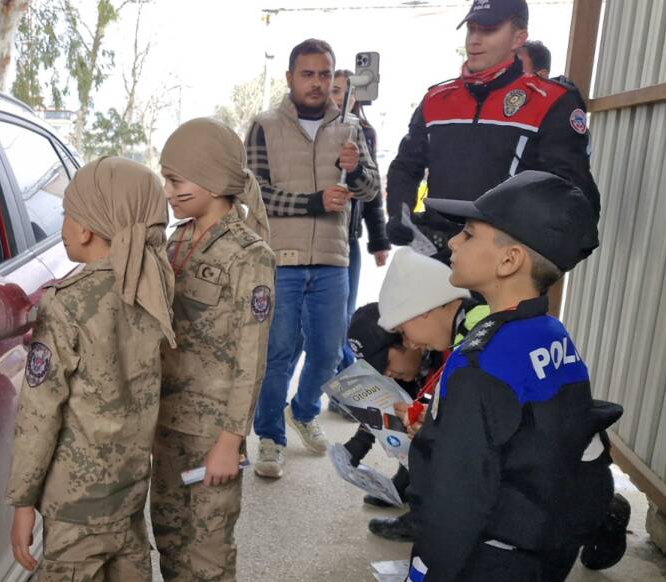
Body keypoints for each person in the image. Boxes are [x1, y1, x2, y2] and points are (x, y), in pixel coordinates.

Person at [392, 171, 621, 582]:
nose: (453, 240)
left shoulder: (480, 363)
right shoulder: (549, 332)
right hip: (538, 549)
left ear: (510, 260)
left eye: (469, 234)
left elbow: (458, 498)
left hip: (488, 565)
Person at [6, 156, 177, 582]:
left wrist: (22, 501)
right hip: (127, 499)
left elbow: (39, 415)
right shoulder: (155, 288)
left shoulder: (68, 305)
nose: (61, 224)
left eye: (65, 213)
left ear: (84, 227)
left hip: (76, 511)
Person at [152, 117, 276, 582]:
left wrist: (232, 440)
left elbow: (252, 356)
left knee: (208, 536)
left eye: (182, 179)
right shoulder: (178, 239)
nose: (173, 189)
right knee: (171, 522)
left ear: (213, 176)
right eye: (167, 178)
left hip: (213, 429)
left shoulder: (249, 254)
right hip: (170, 418)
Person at [245, 39, 381, 476]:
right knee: (278, 353)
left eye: (325, 74)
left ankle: (302, 411)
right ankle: (269, 436)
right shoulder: (264, 125)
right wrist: (315, 202)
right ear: (290, 78)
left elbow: (371, 190)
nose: (317, 83)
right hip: (278, 259)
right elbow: (256, 195)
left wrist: (356, 168)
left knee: (326, 352)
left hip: (331, 259)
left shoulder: (350, 129)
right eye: (308, 74)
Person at [385, 0, 600, 262]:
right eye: (471, 29)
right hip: (434, 253)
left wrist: (544, 262)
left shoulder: (551, 101)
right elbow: (406, 166)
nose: (474, 40)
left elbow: (572, 191)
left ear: (518, 38)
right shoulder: (436, 99)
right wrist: (400, 214)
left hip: (504, 263)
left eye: (488, 30)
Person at [369, 248, 489, 541]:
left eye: (403, 330)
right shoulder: (474, 324)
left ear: (425, 310)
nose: (408, 342)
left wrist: (437, 428)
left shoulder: (476, 344)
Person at [339, 302, 437, 510]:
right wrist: (361, 441)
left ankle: (425, 504)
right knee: (407, 415)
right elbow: (387, 406)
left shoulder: (446, 351)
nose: (386, 373)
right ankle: (407, 481)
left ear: (405, 337)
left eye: (385, 363)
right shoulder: (403, 369)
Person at [331, 70, 391, 393]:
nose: (334, 96)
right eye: (331, 90)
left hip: (347, 239)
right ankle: (346, 389)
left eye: (340, 91)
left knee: (344, 318)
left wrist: (379, 240)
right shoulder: (313, 128)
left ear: (354, 96)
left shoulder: (361, 132)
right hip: (313, 238)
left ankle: (350, 389)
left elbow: (373, 190)